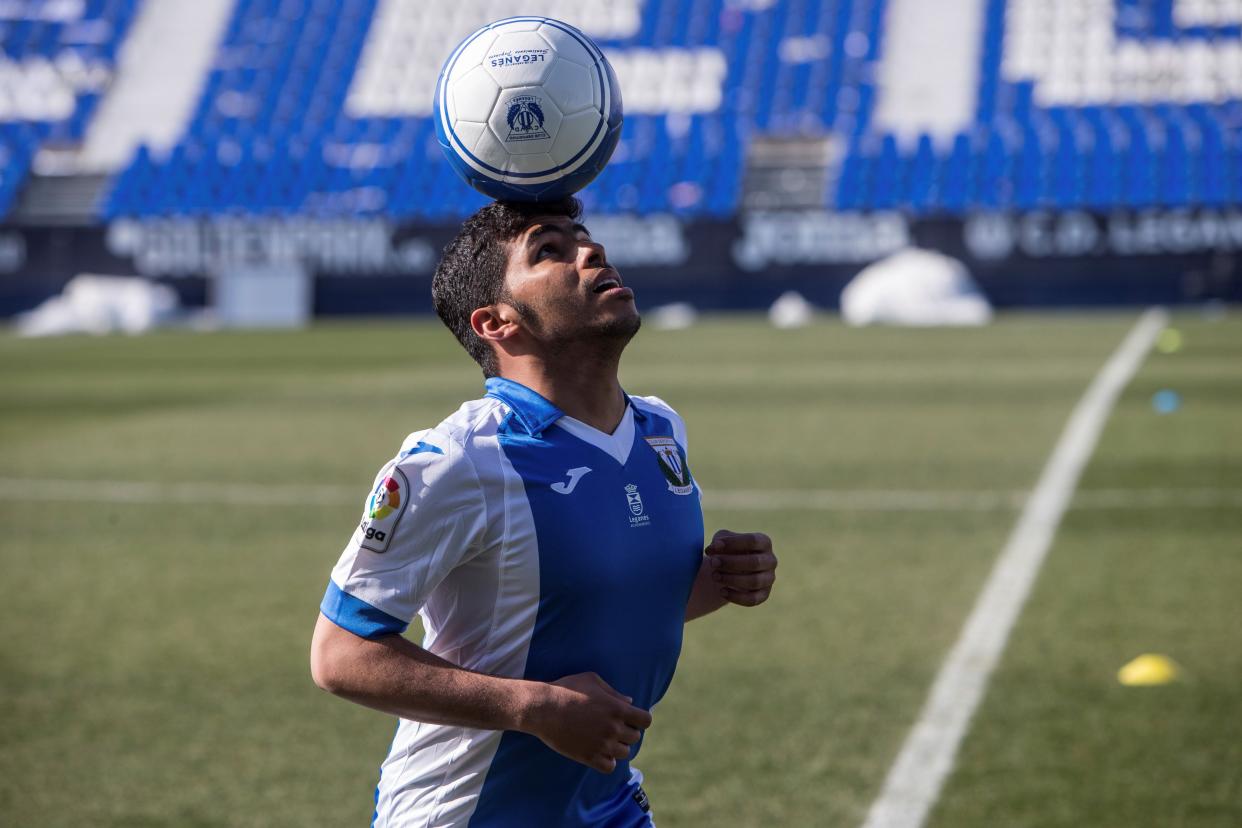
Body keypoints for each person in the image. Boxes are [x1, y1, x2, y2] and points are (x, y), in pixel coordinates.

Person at [310, 197, 778, 827]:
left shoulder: (661, 428)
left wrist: (717, 582)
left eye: (584, 239)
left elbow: (595, 607)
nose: (592, 252)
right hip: (469, 813)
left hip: (607, 803)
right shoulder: (456, 460)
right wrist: (533, 707)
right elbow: (340, 655)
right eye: (550, 251)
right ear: (497, 323)